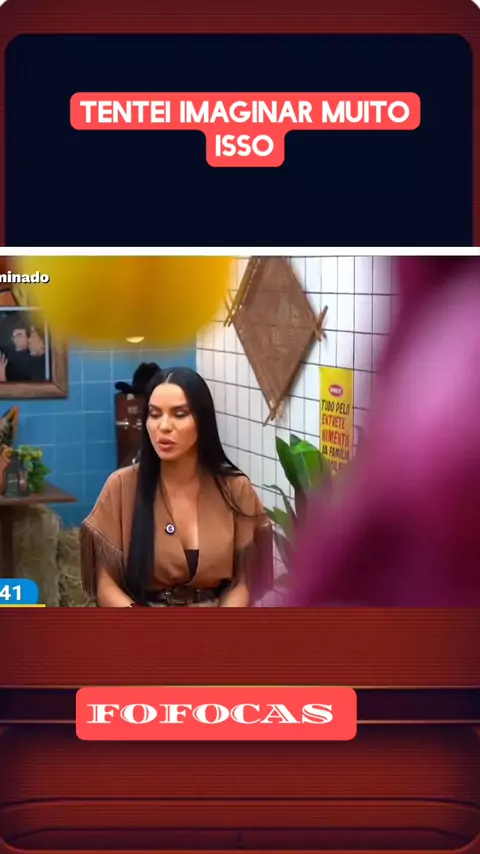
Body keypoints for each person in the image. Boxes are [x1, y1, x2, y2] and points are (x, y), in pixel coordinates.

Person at [81, 367, 273, 607]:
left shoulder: (235, 488)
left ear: (203, 421)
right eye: (154, 414)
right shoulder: (120, 487)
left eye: (179, 414)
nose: (164, 426)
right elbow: (106, 585)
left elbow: (243, 583)